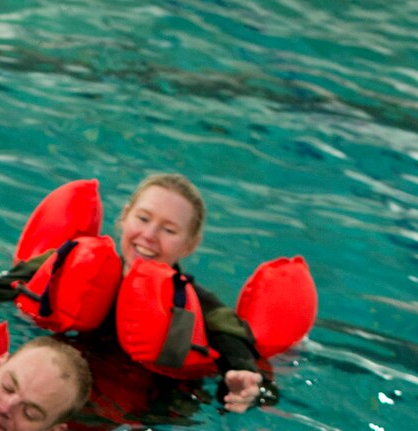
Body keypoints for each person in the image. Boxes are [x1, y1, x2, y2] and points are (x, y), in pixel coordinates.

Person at [13, 171, 265, 413]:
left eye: (169, 230)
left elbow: (238, 355)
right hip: (51, 390)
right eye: (143, 219)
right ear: (124, 216)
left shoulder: (201, 308)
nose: (149, 236)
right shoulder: (66, 264)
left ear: (190, 244)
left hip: (140, 415)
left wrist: (243, 381)